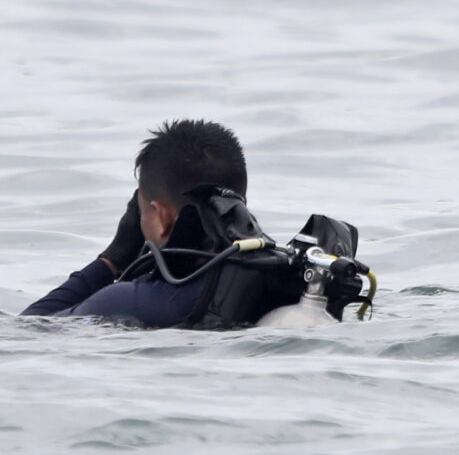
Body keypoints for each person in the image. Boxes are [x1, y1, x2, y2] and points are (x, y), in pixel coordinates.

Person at [23, 119, 374, 329]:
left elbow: (31, 328)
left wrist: (113, 258)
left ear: (161, 217)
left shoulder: (127, 300)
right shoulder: (282, 277)